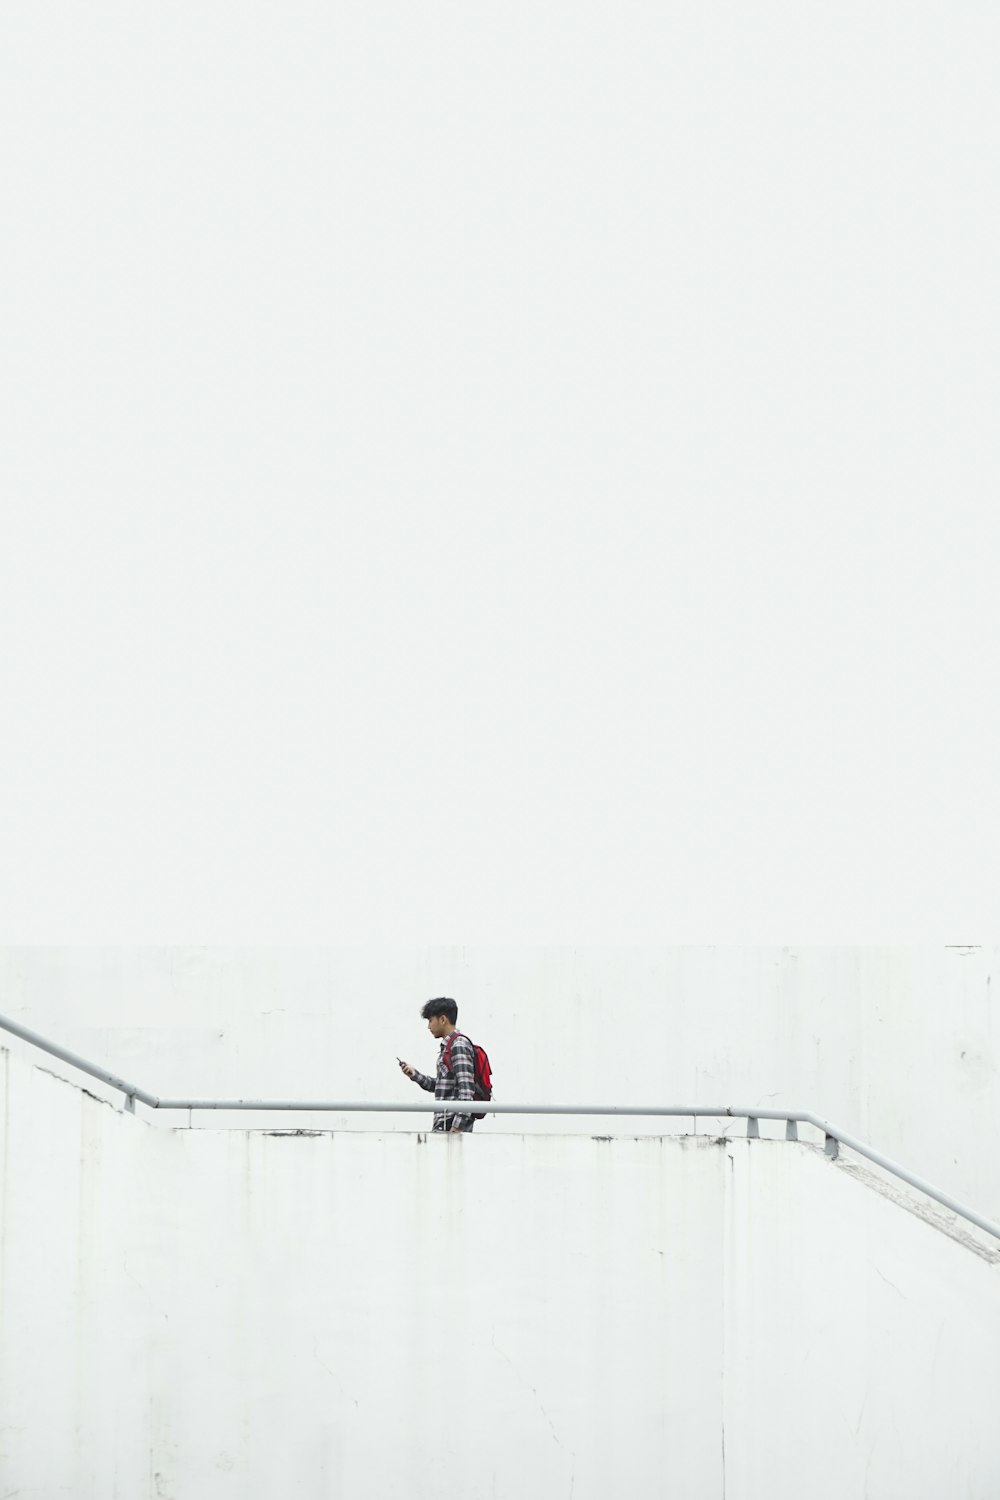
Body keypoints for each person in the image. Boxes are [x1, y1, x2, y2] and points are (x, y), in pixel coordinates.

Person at [398, 997, 477, 1133]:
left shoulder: (458, 1045)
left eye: (430, 1020)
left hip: (451, 1123)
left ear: (442, 1019)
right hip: (445, 1122)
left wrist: (457, 1126)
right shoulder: (449, 1047)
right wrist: (415, 1075)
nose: (429, 1026)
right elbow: (442, 1087)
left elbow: (467, 1089)